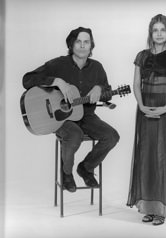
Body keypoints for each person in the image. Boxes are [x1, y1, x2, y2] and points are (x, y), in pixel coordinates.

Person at [23, 27, 120, 192]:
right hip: (61, 119)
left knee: (112, 136)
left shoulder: (97, 68)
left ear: (91, 45)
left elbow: (106, 93)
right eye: (78, 41)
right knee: (75, 135)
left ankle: (86, 168)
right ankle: (66, 173)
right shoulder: (58, 64)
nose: (82, 45)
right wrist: (57, 81)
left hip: (87, 116)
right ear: (71, 44)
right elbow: (27, 80)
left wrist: (99, 88)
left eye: (86, 42)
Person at [127, 14, 166, 225]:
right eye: (155, 30)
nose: (159, 34)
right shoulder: (141, 56)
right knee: (147, 155)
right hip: (145, 108)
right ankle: (148, 207)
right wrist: (142, 106)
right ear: (150, 33)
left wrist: (165, 108)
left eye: (163, 30)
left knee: (163, 157)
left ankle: (162, 208)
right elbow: (135, 84)